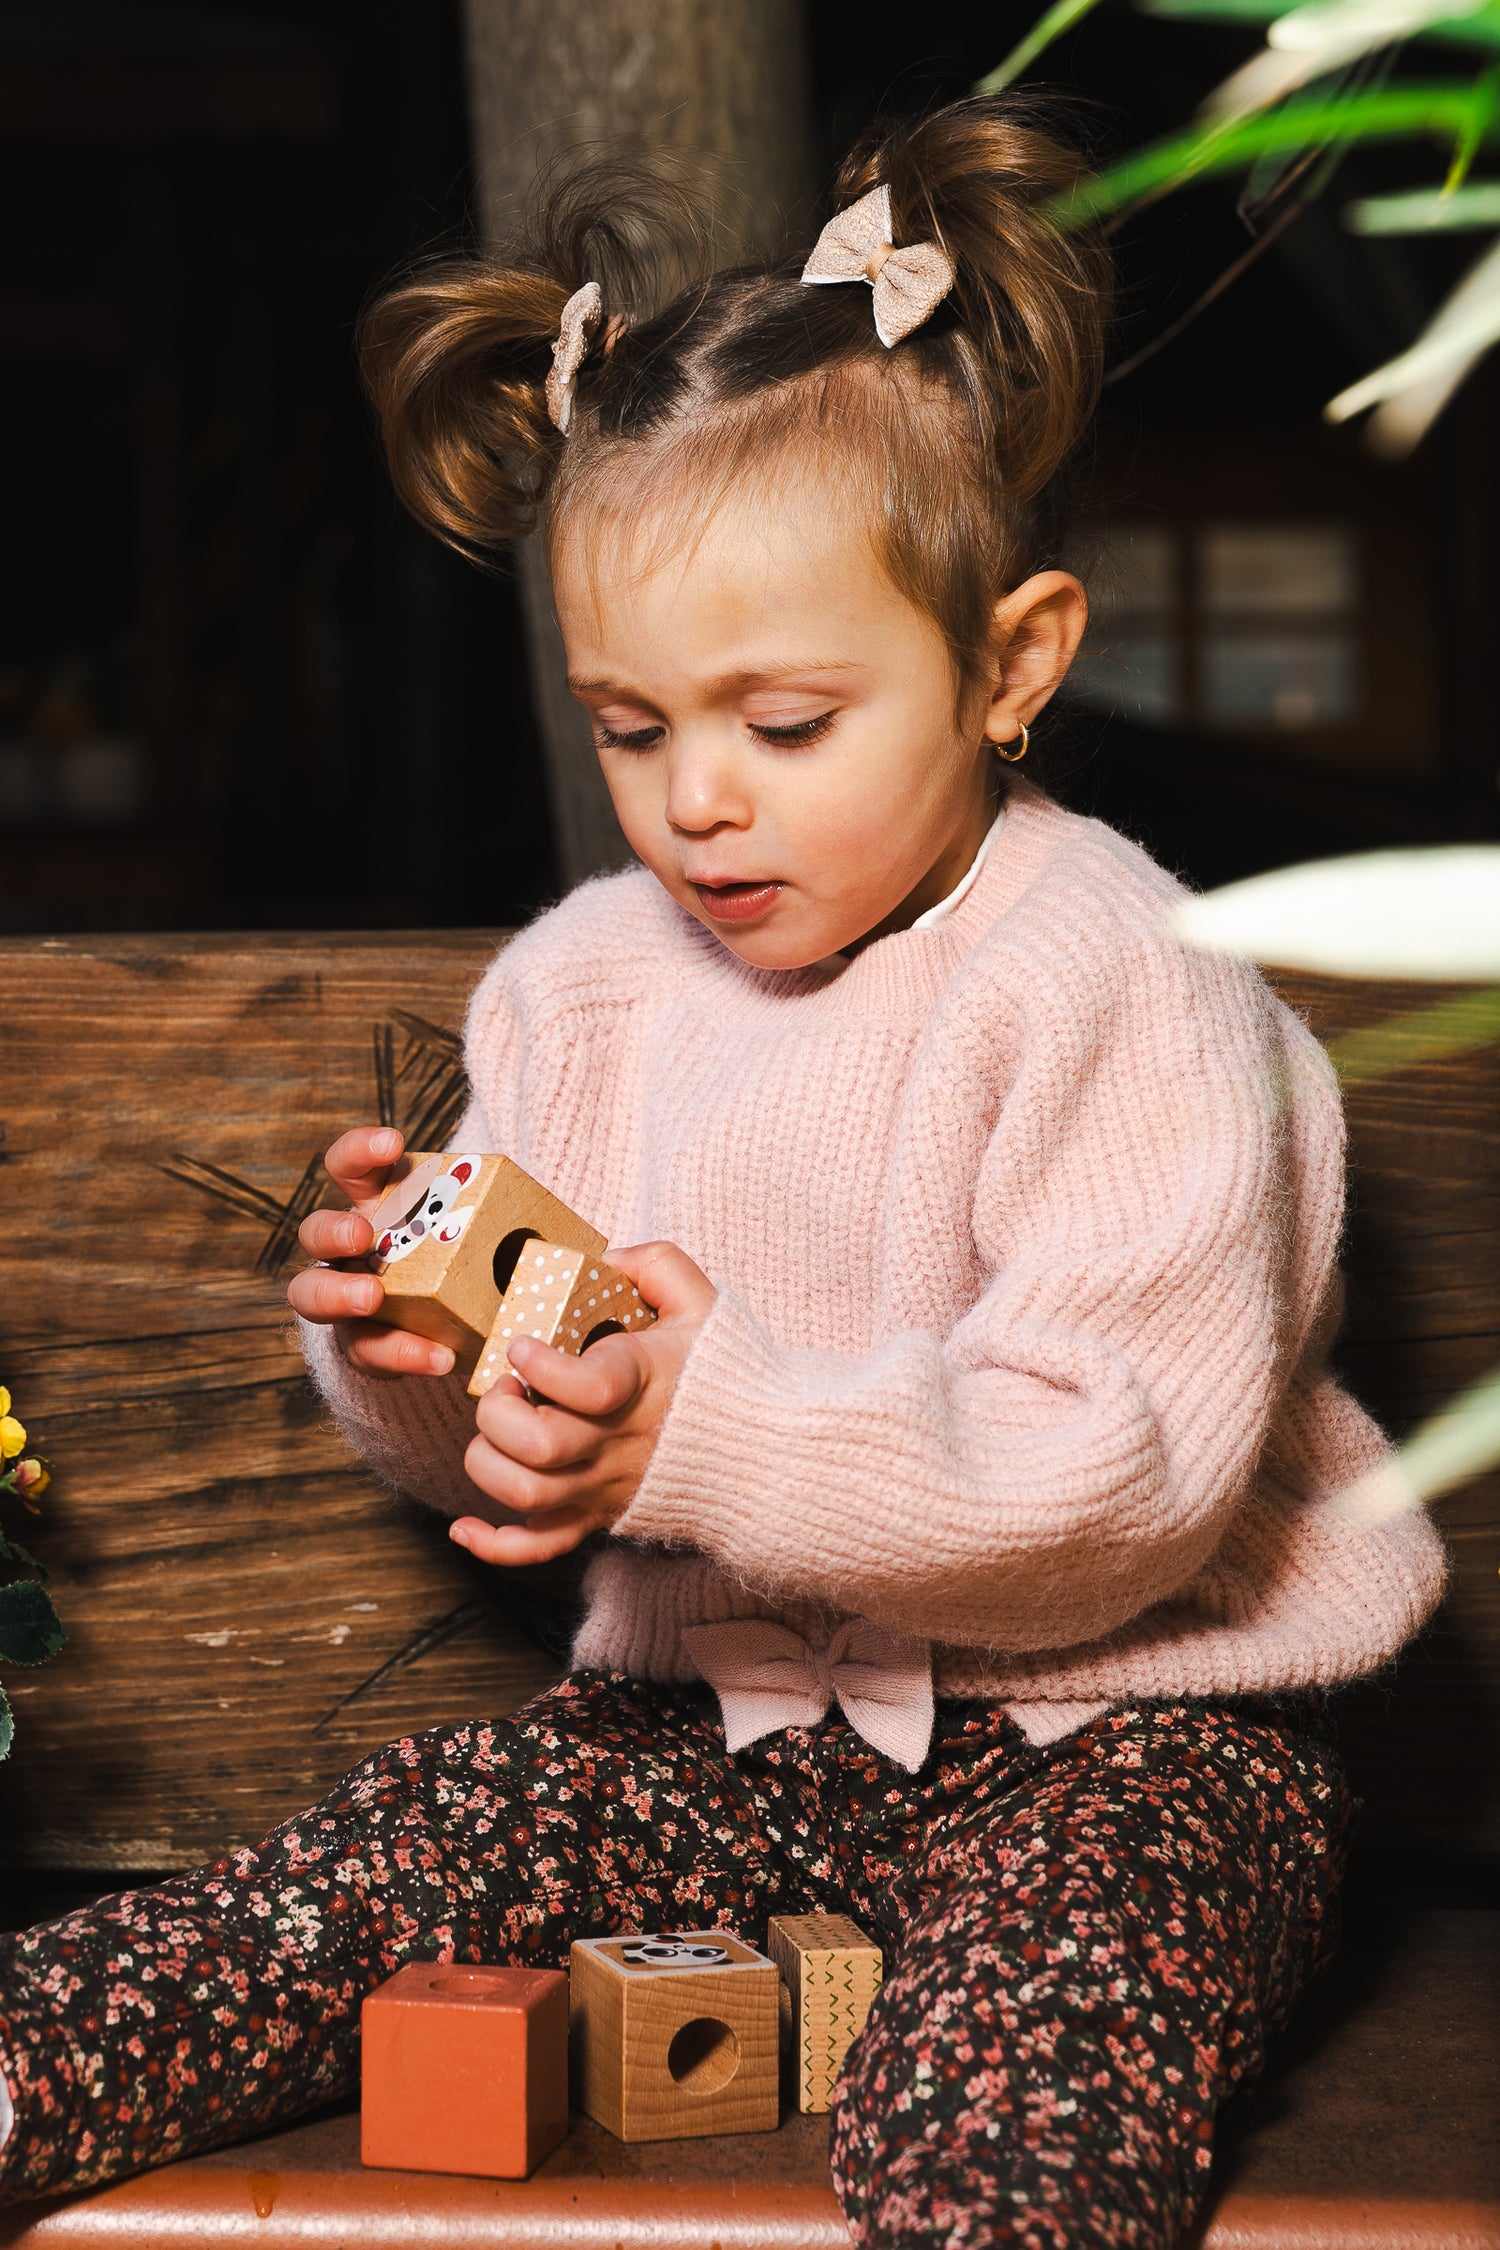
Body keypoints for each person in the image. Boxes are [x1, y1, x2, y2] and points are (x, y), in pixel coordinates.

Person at [0, 96, 1444, 2247]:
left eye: (784, 726)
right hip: (714, 1722)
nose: (698, 806)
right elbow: (529, 1423)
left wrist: (714, 1424)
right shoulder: (584, 986)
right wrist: (420, 1351)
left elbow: (1117, 1492)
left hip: (1126, 1737)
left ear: (1010, 667)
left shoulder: (1126, 976)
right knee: (307, 1905)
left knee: (1020, 2105)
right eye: (632, 724)